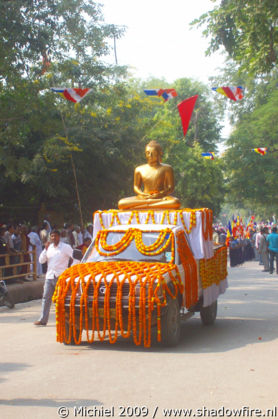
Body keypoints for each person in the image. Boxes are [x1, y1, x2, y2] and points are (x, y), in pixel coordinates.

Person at [118, 140, 180, 210]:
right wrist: (142, 194)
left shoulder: (167, 168)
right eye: (148, 153)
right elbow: (136, 187)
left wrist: (160, 194)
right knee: (121, 203)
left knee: (175, 202)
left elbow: (170, 187)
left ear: (159, 154)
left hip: (161, 197)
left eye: (153, 153)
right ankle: (152, 204)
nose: (150, 155)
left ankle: (146, 206)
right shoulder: (139, 169)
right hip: (144, 197)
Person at [34, 230, 73, 326]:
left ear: (59, 237)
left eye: (55, 236)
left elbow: (75, 257)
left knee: (61, 299)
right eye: (51, 236)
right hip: (49, 276)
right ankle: (43, 320)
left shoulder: (65, 247)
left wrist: (70, 270)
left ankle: (64, 320)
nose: (53, 238)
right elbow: (41, 260)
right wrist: (45, 249)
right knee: (46, 298)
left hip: (61, 276)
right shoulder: (49, 248)